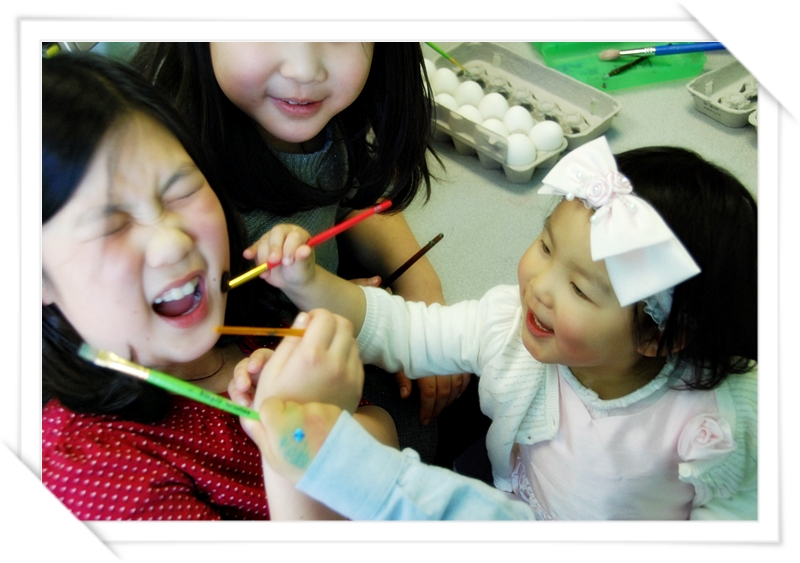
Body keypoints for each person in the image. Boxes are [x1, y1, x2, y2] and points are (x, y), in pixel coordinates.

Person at [232, 137, 758, 520]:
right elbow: (400, 327)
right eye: (546, 246)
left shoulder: (719, 428)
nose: (539, 286)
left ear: (657, 337)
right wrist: (306, 281)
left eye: (580, 289)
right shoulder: (509, 325)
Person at [41, 52, 396, 521]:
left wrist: (322, 414)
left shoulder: (246, 320)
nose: (172, 243)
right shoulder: (86, 470)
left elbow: (385, 436)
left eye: (181, 191)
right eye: (112, 225)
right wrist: (304, 441)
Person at [130, 43, 481, 464]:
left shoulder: (329, 120)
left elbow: (352, 200)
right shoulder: (165, 160)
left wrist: (420, 292)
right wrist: (329, 307)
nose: (303, 69)